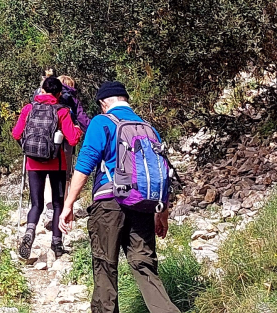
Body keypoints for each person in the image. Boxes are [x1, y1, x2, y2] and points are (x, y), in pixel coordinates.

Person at [60, 81, 179, 313]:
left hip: (109, 205)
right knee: (145, 266)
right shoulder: (148, 128)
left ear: (104, 103)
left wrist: (68, 204)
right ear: (125, 100)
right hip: (143, 206)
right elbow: (162, 173)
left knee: (105, 267)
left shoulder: (102, 122)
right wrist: (162, 213)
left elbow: (85, 164)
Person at [12, 75, 83, 259]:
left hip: (33, 163)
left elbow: (16, 133)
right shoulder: (62, 111)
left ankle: (30, 231)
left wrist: (27, 148)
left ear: (42, 90)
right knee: (58, 204)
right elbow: (73, 139)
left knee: (36, 204)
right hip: (57, 163)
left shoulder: (28, 108)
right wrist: (77, 129)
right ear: (59, 94)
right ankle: (57, 244)